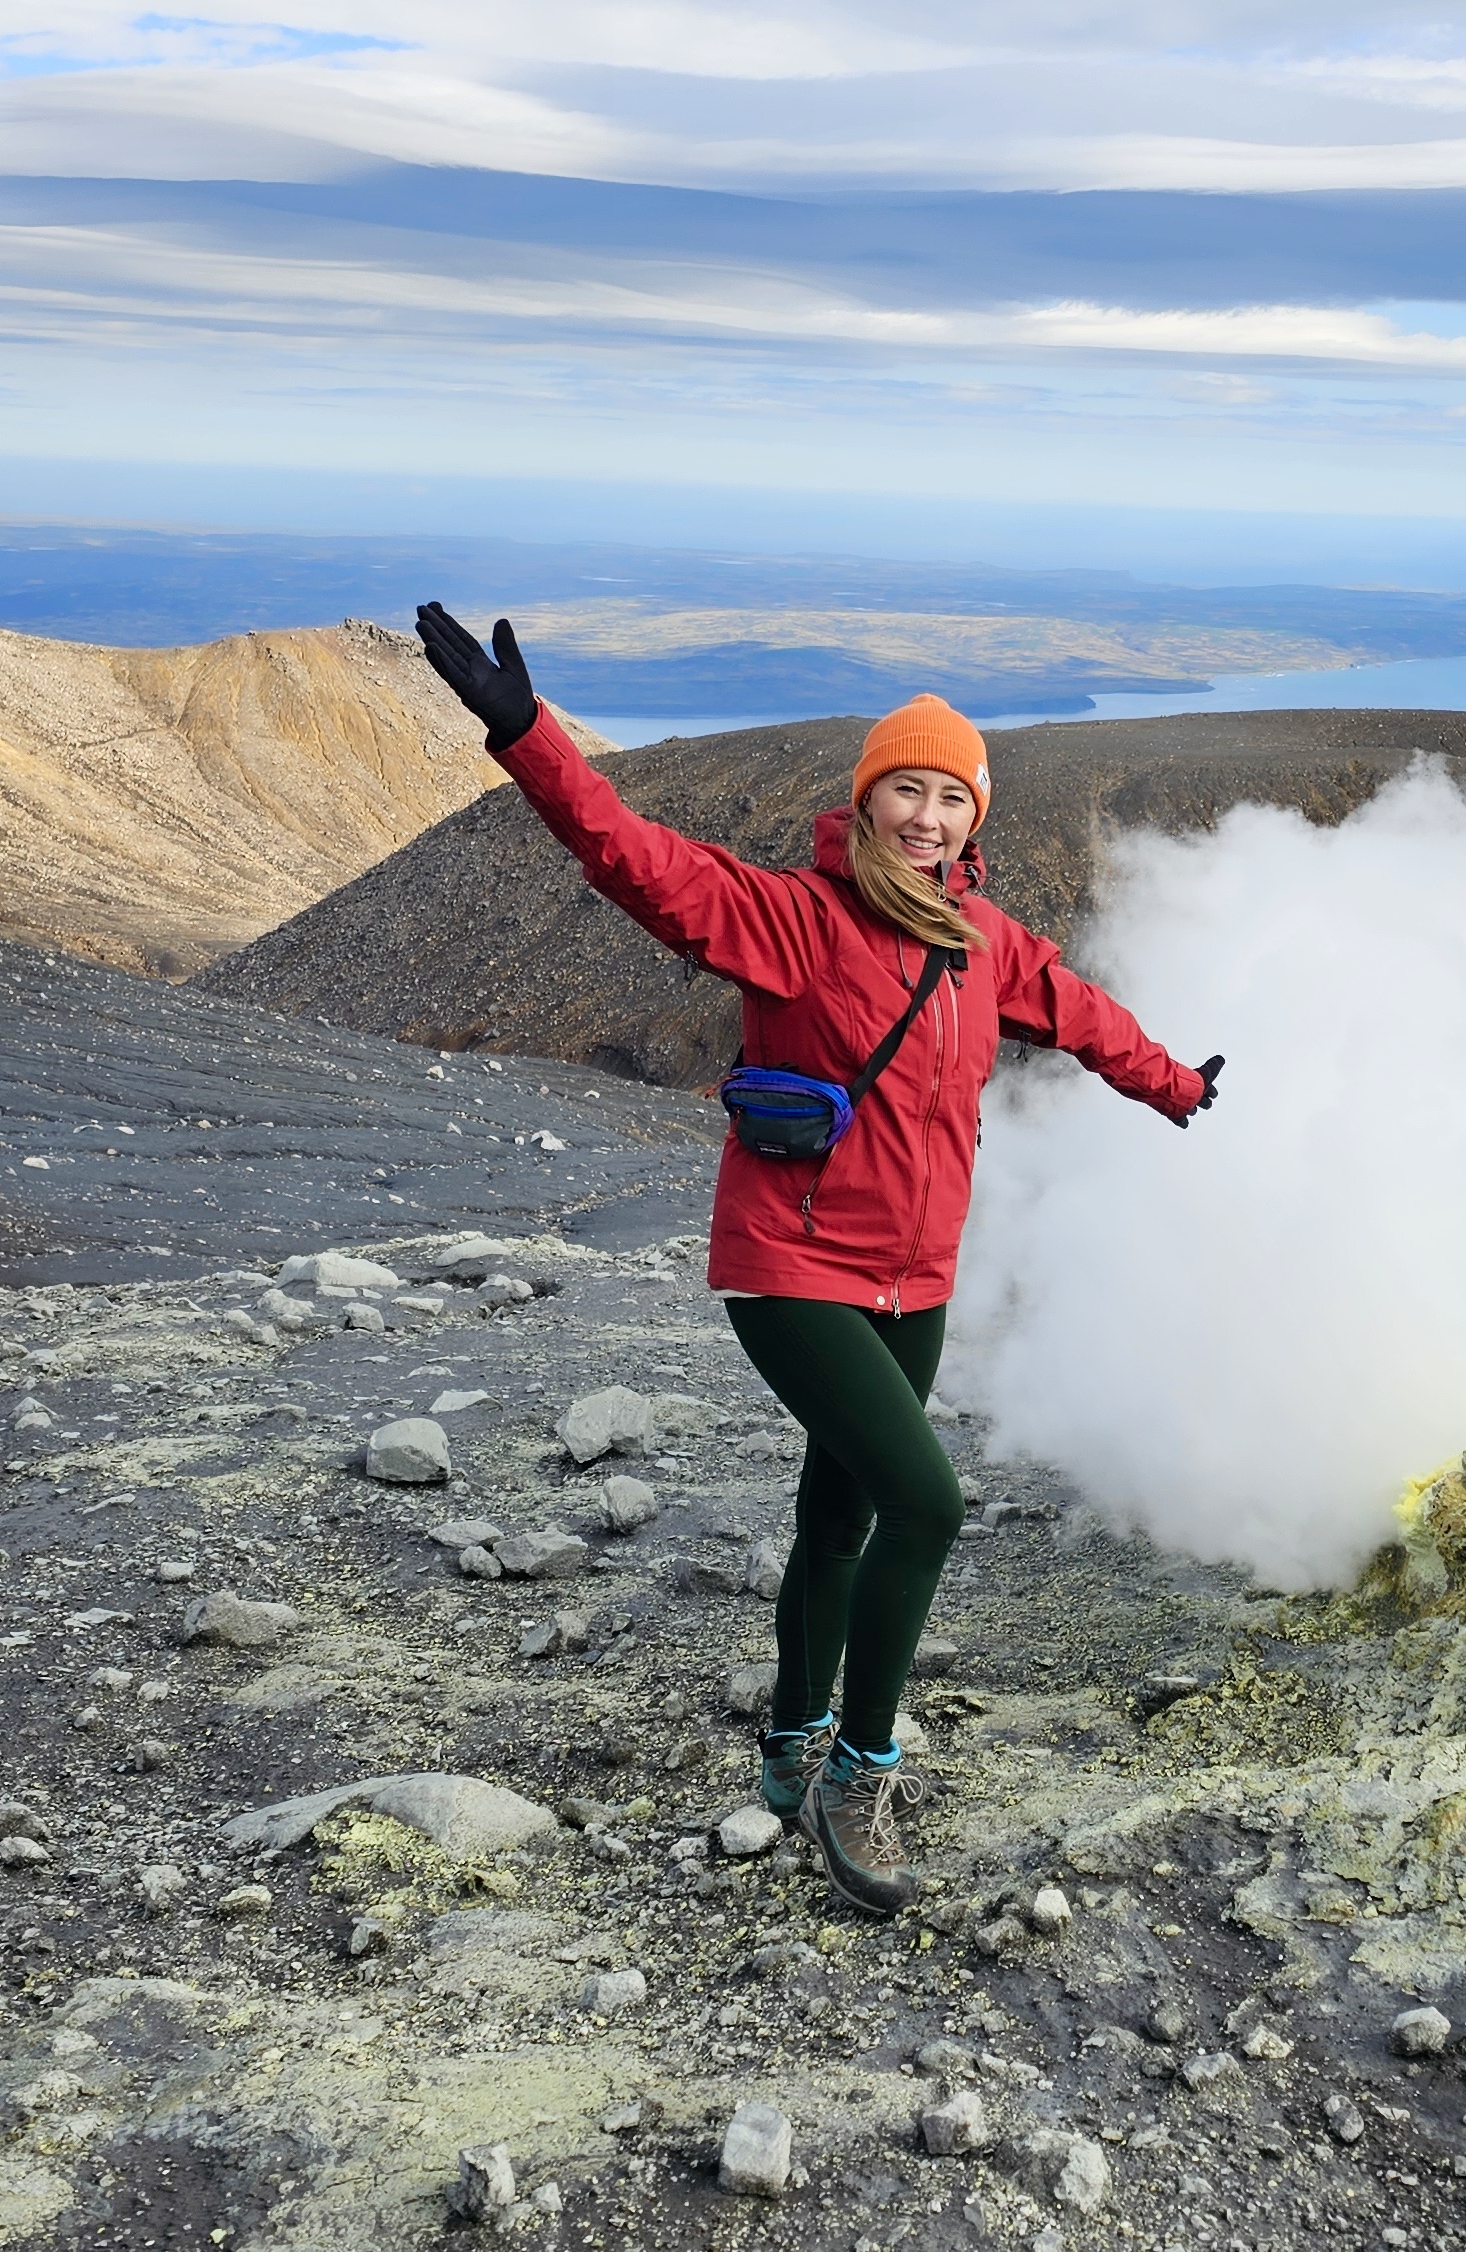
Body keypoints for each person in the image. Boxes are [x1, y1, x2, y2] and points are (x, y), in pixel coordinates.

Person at [412, 603, 1221, 1915]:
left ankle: (790, 1741)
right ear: (868, 799)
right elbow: (634, 858)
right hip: (791, 1266)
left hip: (918, 1276)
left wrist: (1175, 1085)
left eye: (950, 798)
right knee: (929, 1503)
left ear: (974, 818)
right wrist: (525, 732)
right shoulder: (792, 918)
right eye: (906, 789)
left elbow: (1081, 1014)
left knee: (840, 1513)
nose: (927, 817)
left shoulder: (986, 944)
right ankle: (860, 1766)